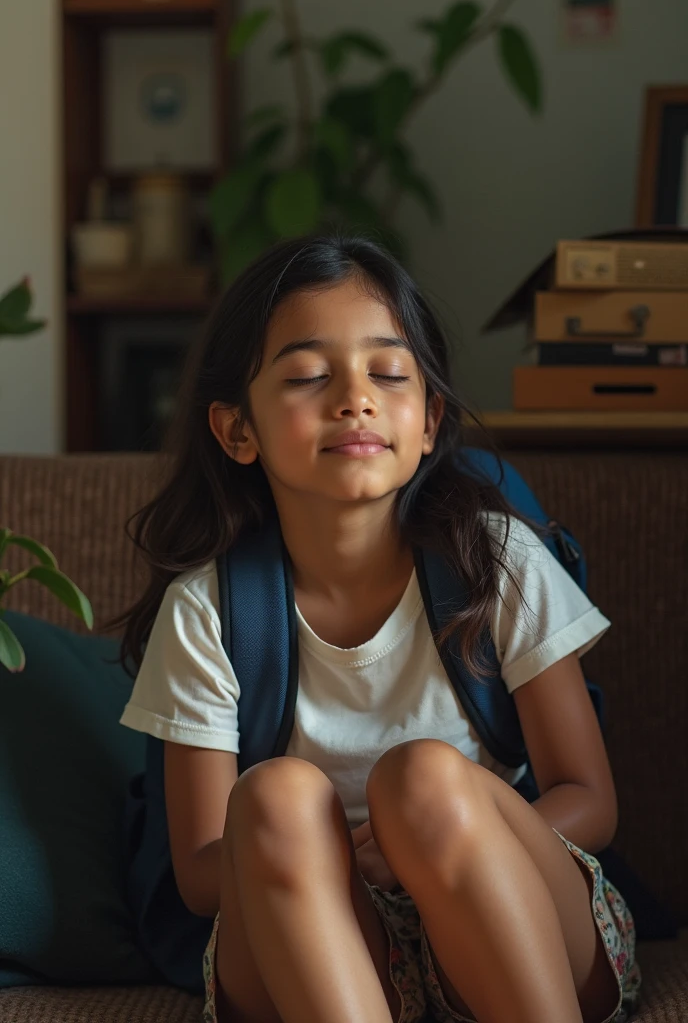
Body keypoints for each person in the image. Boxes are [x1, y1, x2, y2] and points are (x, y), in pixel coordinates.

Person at [118, 234, 641, 1023]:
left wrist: (418, 838)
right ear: (236, 431)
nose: (354, 397)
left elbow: (589, 799)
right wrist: (333, 859)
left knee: (423, 779)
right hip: (323, 941)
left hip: (511, 917)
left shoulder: (493, 560)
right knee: (275, 798)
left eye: (389, 373)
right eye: (306, 376)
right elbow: (197, 871)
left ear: (430, 419)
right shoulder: (207, 612)